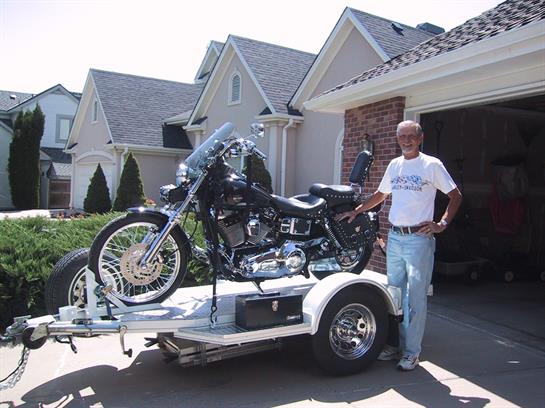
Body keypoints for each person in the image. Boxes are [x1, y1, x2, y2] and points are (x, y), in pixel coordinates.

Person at [336, 120, 462, 371]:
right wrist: (357, 211)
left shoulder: (431, 165)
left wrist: (442, 223)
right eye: (402, 136)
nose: (406, 140)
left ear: (420, 138)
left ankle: (412, 352)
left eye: (410, 136)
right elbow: (381, 195)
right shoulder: (395, 165)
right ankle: (395, 345)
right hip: (395, 238)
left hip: (418, 240)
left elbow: (455, 195)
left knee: (416, 300)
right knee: (394, 297)